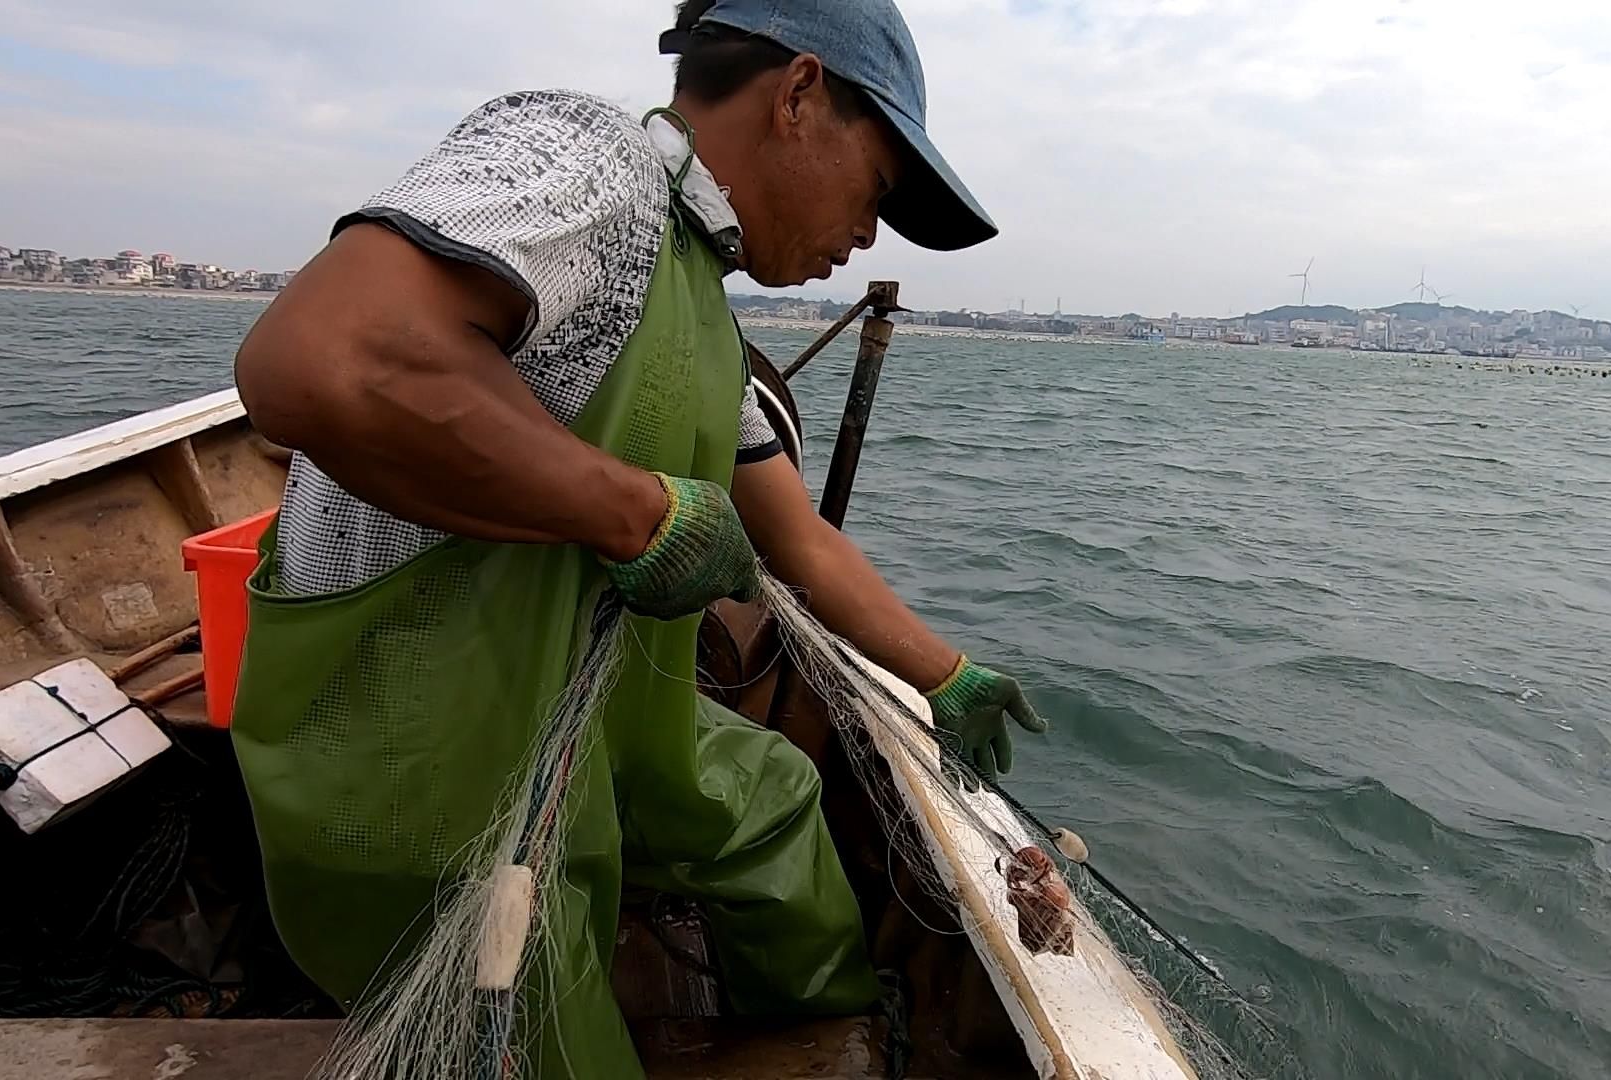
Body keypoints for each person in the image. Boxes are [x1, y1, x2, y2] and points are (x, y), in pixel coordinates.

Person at [229, 0, 1046, 1073]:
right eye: (878, 190)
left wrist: (947, 675)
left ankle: (828, 1041)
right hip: (418, 757)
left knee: (775, 799)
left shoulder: (703, 302)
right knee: (548, 1021)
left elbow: (800, 546)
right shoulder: (587, 162)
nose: (865, 235)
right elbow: (321, 361)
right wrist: (640, 513)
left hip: (586, 715)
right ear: (798, 96)